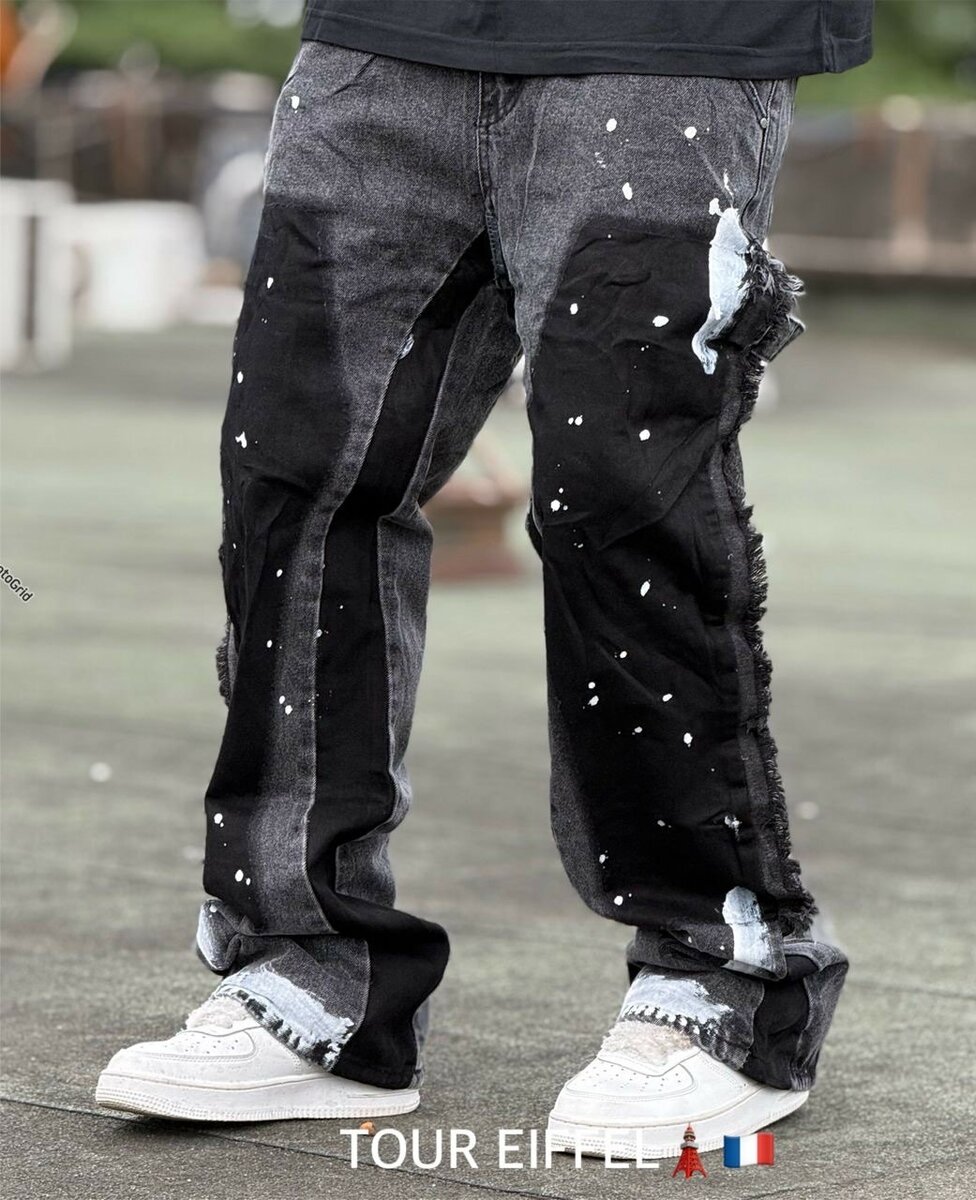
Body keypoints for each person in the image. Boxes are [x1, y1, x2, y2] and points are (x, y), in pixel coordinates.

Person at [96, 0, 872, 1158]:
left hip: (671, 38)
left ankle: (720, 972)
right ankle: (313, 968)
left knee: (618, 492)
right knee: (294, 477)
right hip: (382, 33)